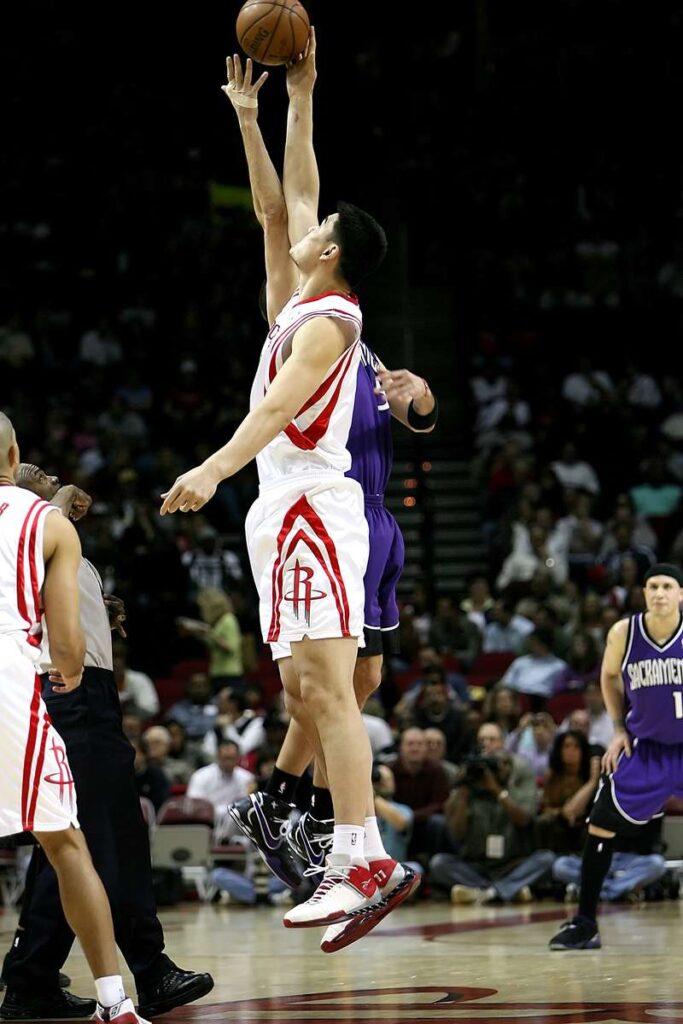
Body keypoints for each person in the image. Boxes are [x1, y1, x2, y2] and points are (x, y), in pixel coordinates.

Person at [161, 37, 431, 940]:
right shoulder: (304, 302)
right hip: (284, 513)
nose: (298, 228)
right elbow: (282, 205)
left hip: (315, 503)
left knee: (332, 690)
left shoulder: (333, 320)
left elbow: (276, 409)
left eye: (319, 232)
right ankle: (335, 849)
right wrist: (276, 108)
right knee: (305, 691)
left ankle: (362, 857)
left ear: (336, 254)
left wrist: (210, 467)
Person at [0, 462, 213, 1020]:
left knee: (78, 843)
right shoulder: (34, 527)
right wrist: (61, 497)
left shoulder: (49, 536)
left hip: (84, 695)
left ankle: (31, 979)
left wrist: (96, 612)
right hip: (67, 695)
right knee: (99, 840)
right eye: (30, 469)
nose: (43, 472)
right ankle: (148, 968)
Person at [0, 416, 145, 1024]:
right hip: (12, 678)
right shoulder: (47, 523)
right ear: (13, 452)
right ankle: (114, 1001)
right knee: (66, 844)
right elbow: (66, 641)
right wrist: (66, 671)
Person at [549, 563, 683, 950]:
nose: (659, 592)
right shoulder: (624, 633)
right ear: (644, 593)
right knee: (601, 823)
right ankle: (585, 923)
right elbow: (608, 678)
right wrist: (618, 729)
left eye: (667, 586)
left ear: (679, 594)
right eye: (652, 586)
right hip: (646, 748)